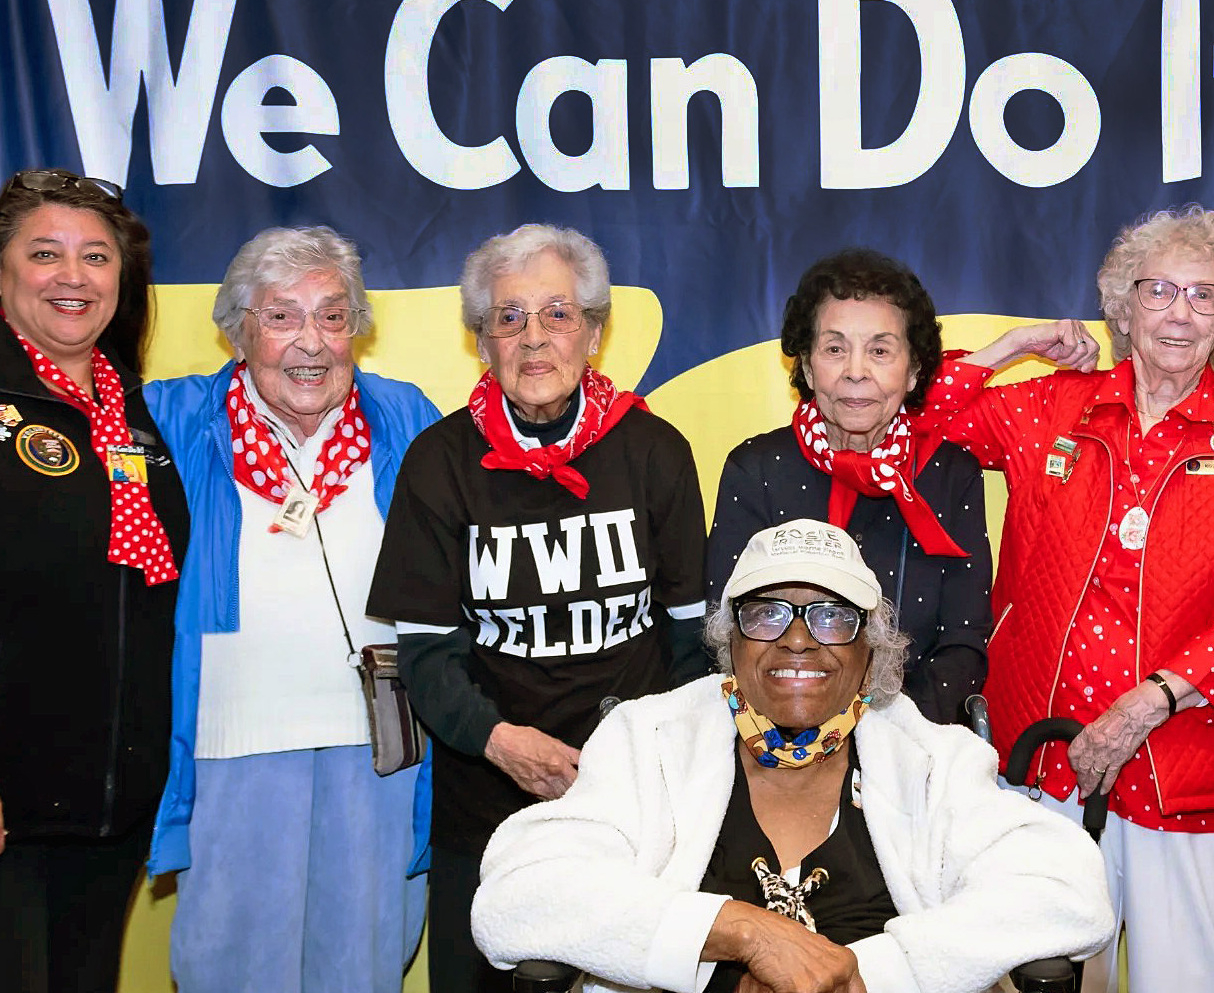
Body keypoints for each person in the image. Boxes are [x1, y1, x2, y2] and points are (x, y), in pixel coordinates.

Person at [472, 518, 1115, 993]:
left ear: (871, 649)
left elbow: (1067, 890)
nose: (799, 640)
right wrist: (743, 933)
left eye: (833, 617)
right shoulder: (649, 739)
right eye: (767, 614)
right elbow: (517, 895)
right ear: (731, 640)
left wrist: (864, 973)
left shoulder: (929, 757)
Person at [924, 205, 1214, 993]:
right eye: (1159, 290)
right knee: (1041, 980)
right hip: (1042, 761)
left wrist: (1147, 703)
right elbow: (916, 419)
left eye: (1205, 295)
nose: (1181, 313)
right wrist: (1014, 347)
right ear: (1122, 306)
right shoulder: (1051, 406)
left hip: (1180, 766)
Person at [366, 223, 708, 991]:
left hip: (634, 801)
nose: (533, 337)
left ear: (594, 333)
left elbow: (692, 642)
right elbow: (426, 655)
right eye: (509, 317)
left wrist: (659, 766)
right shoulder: (437, 462)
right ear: (481, 341)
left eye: (558, 313)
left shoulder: (655, 452)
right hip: (487, 799)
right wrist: (499, 742)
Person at [144, 226, 439, 992]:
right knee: (231, 969)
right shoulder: (172, 418)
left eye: (333, 316)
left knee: (364, 966)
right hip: (231, 750)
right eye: (281, 316)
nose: (310, 341)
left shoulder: (405, 417)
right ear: (238, 329)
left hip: (379, 751)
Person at [0, 168, 188, 992]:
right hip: (14, 804)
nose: (72, 276)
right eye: (44, 253)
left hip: (115, 800)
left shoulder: (140, 414)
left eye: (96, 256)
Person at [708, 247, 993, 725]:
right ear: (806, 366)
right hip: (774, 737)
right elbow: (727, 635)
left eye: (880, 351)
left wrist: (884, 738)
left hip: (914, 734)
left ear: (914, 371)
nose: (856, 371)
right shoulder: (755, 469)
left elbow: (963, 644)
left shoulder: (951, 475)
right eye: (835, 349)